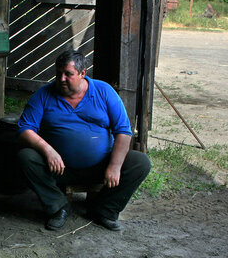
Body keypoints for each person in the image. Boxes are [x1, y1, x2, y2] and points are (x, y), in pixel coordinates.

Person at [17, 49, 151, 231]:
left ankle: (105, 210)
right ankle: (58, 207)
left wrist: (115, 166)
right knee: (26, 156)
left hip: (100, 166)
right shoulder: (44, 94)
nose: (61, 79)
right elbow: (24, 129)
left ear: (82, 73)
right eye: (58, 74)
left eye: (68, 74)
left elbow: (123, 131)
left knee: (140, 162)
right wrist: (48, 150)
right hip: (59, 167)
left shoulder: (103, 91)